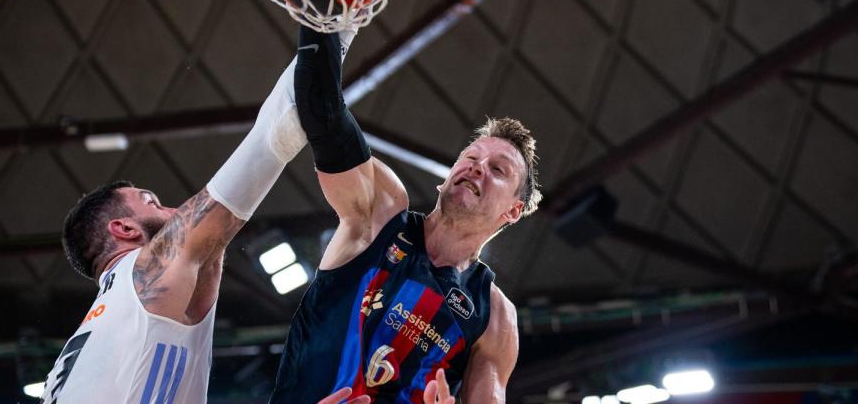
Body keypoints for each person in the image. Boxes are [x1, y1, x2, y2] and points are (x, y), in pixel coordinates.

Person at [38, 28, 455, 404]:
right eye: (150, 201)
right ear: (124, 228)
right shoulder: (144, 275)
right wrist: (337, 19)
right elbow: (280, 126)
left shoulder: (90, 344)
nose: (172, 208)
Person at [269, 26, 543, 403]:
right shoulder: (381, 214)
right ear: (444, 180)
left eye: (498, 170)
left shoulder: (495, 316)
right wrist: (324, 18)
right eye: (471, 157)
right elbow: (323, 112)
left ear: (513, 211)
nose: (478, 167)